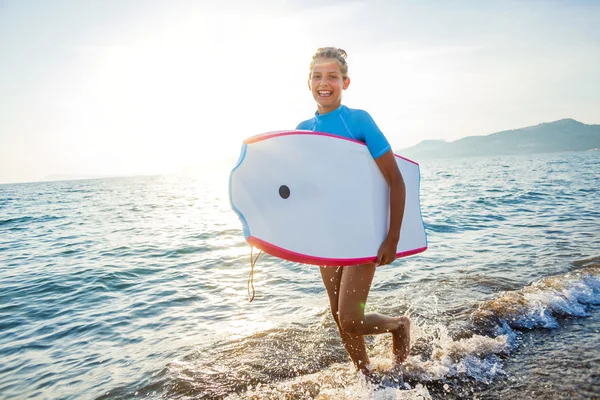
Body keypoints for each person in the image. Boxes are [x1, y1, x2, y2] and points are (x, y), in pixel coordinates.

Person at [296, 47, 410, 376]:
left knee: (350, 317)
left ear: (345, 82)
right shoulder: (302, 129)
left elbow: (396, 180)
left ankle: (397, 325)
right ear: (309, 82)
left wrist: (392, 237)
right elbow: (304, 189)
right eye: (317, 76)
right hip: (326, 238)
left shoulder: (358, 120)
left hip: (362, 233)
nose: (324, 82)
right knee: (338, 316)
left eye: (332, 76)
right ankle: (366, 375)